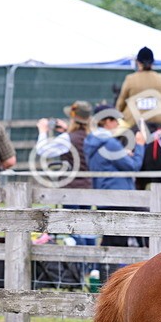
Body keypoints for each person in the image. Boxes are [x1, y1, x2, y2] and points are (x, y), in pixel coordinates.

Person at [36, 100, 96, 243]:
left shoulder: (68, 138)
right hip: (88, 187)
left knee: (73, 227)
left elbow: (43, 150)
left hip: (71, 189)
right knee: (87, 226)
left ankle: (78, 262)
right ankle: (89, 263)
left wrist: (42, 131)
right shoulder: (92, 136)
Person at [85, 110, 146, 247]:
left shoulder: (90, 141)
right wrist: (140, 145)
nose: (118, 124)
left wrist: (122, 154)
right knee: (121, 242)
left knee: (109, 240)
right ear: (107, 121)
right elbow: (133, 166)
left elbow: (104, 162)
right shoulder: (110, 143)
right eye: (115, 120)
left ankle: (101, 268)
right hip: (120, 197)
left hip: (103, 195)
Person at [116, 47, 161, 190]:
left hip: (135, 121)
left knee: (117, 135)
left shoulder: (130, 79)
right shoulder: (160, 78)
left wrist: (119, 111)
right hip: (158, 121)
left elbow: (121, 102)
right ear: (152, 62)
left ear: (138, 62)